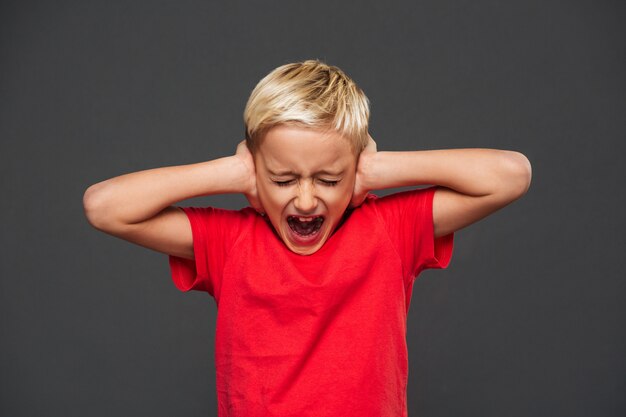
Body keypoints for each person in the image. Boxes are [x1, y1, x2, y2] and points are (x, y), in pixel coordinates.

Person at [83, 59, 532, 417]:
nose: (304, 200)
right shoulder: (230, 241)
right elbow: (104, 207)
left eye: (328, 179)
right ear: (257, 174)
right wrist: (234, 171)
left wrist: (374, 169)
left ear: (354, 173)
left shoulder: (390, 229)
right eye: (281, 179)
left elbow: (510, 175)